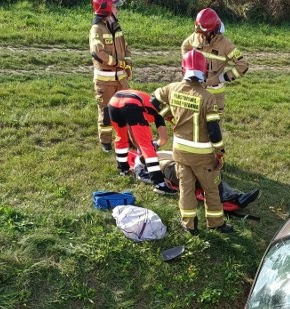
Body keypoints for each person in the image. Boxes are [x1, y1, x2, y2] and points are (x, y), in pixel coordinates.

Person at [178, 8, 258, 206]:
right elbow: (185, 47)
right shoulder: (195, 37)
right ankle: (199, 161)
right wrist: (189, 69)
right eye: (199, 32)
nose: (201, 36)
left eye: (205, 32)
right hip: (197, 91)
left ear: (213, 30)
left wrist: (224, 77)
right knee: (195, 126)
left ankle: (214, 163)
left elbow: (243, 65)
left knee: (214, 129)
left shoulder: (225, 44)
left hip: (214, 95)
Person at [151, 50, 232, 235]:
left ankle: (190, 226)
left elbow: (153, 100)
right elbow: (213, 130)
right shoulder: (207, 98)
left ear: (183, 69)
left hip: (180, 151)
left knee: (185, 189)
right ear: (204, 71)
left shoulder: (172, 88)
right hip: (203, 156)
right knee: (211, 189)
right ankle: (216, 224)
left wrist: (169, 116)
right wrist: (219, 152)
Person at [89, 0, 131, 152]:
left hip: (121, 79)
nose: (117, 9)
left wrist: (128, 64)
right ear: (106, 8)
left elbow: (126, 48)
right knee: (106, 113)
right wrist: (117, 62)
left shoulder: (116, 26)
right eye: (115, 6)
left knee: (127, 109)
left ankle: (126, 139)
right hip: (105, 81)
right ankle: (106, 143)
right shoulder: (96, 29)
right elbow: (98, 53)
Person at [107, 90, 168, 184]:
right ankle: (159, 183)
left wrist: (139, 148)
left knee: (121, 138)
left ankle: (123, 170)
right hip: (131, 105)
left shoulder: (147, 100)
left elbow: (131, 131)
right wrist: (156, 145)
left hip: (113, 102)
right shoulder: (159, 114)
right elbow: (164, 139)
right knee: (147, 145)